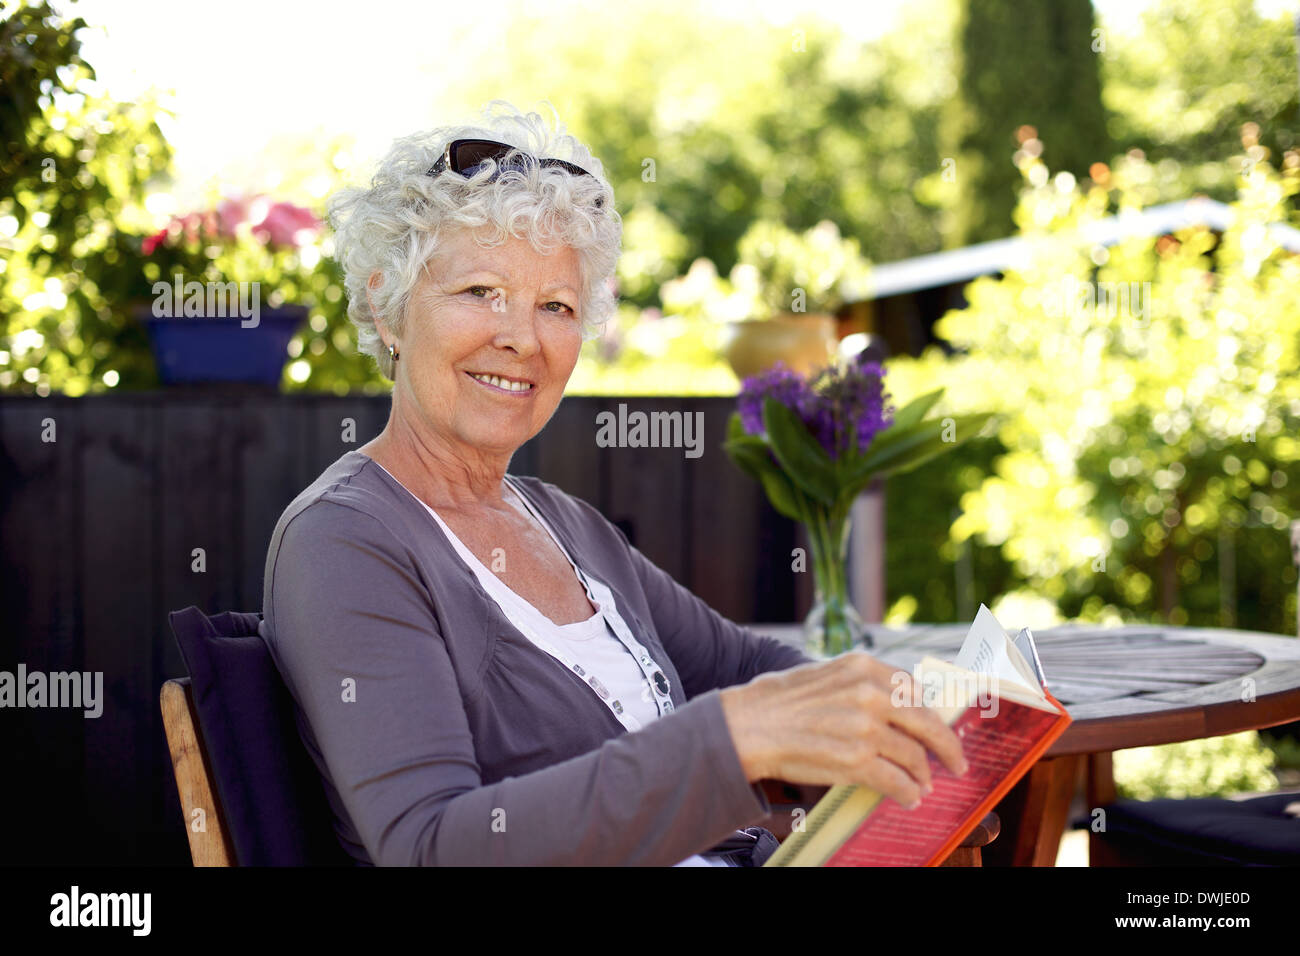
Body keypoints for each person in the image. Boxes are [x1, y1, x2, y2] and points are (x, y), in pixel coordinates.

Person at [260, 101, 967, 866]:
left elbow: (742, 669)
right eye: (480, 292)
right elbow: (434, 847)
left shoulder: (563, 522)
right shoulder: (344, 540)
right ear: (385, 306)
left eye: (555, 306)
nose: (522, 337)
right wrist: (735, 739)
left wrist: (887, 724)